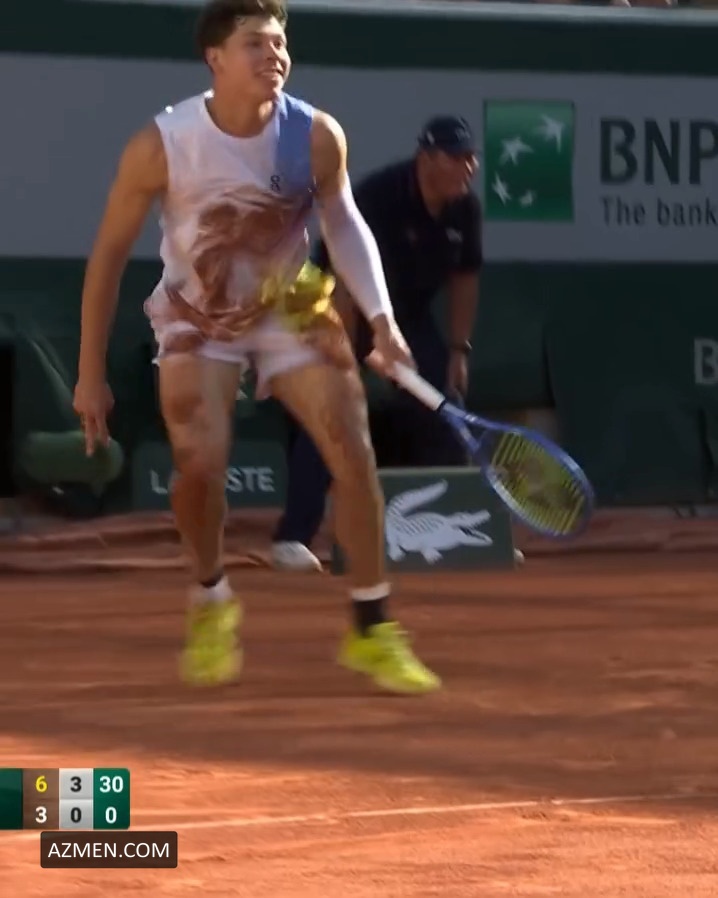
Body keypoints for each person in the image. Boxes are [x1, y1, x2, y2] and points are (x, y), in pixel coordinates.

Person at [72, 0, 440, 695]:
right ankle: (211, 596)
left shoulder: (315, 135)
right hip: (196, 313)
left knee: (353, 451)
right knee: (199, 463)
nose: (273, 54)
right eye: (254, 43)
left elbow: (344, 222)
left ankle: (372, 626)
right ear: (215, 59)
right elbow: (109, 256)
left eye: (279, 43)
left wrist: (383, 320)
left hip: (290, 305)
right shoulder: (162, 145)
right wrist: (90, 373)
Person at [271, 116, 482, 572]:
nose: (469, 167)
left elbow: (465, 278)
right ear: (427, 159)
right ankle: (292, 538)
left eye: (471, 158)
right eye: (457, 158)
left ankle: (457, 530)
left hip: (406, 317)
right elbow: (346, 282)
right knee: (331, 408)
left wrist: (458, 350)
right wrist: (347, 361)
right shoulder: (379, 198)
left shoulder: (465, 208)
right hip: (330, 304)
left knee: (445, 404)